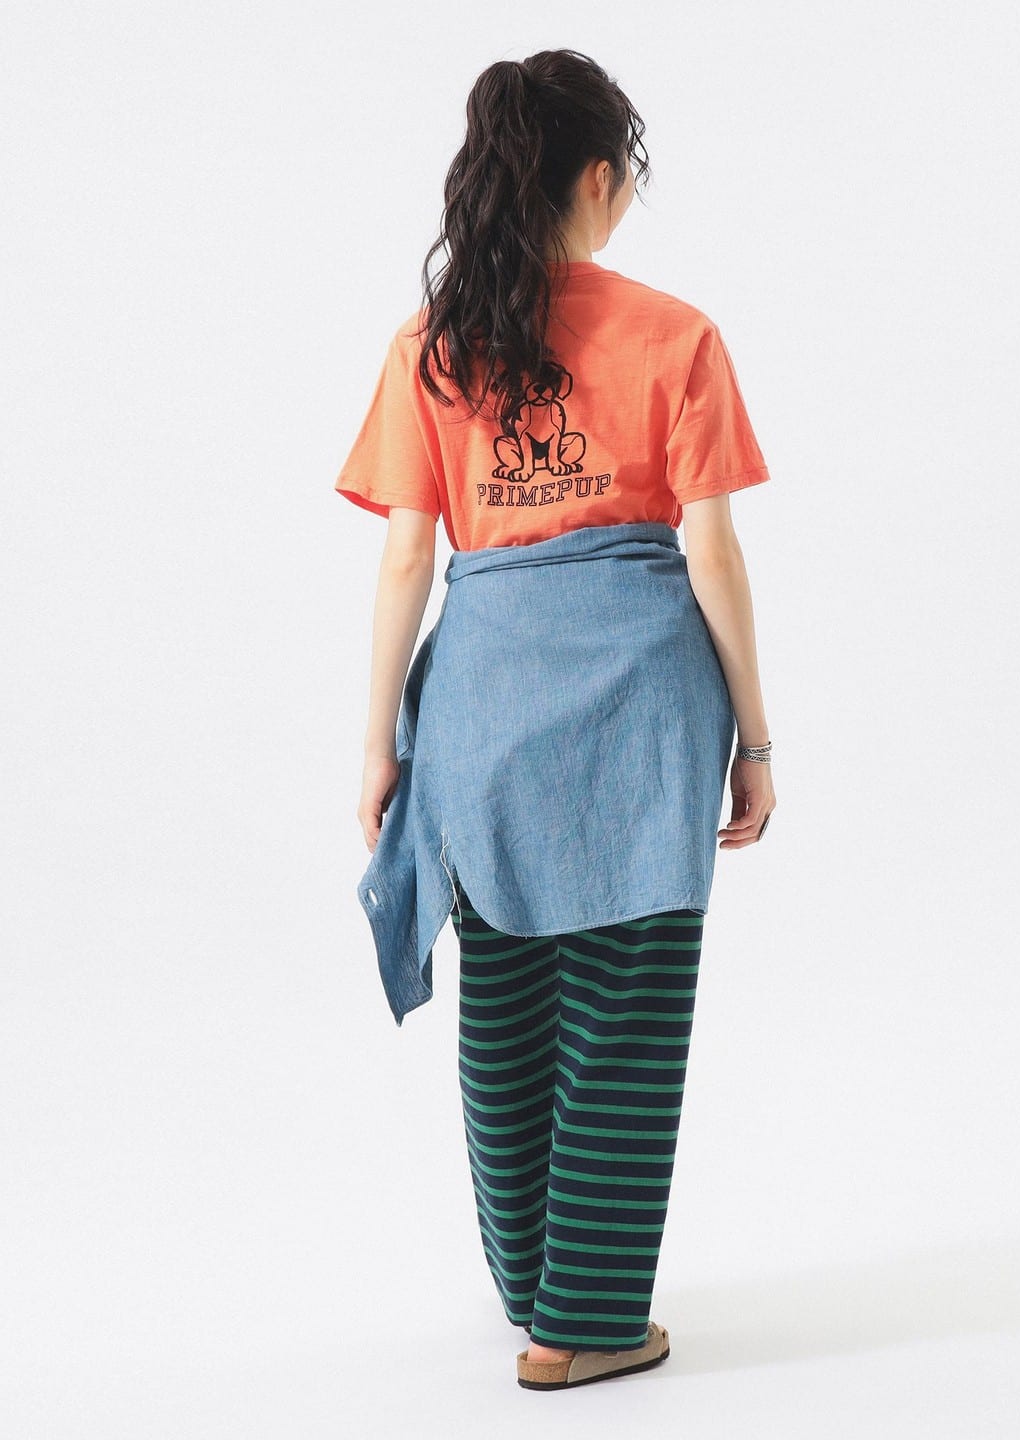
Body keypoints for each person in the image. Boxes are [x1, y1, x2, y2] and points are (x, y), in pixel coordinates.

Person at [332, 48, 776, 1391]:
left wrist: (379, 745)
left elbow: (406, 562)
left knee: (509, 996)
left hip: (486, 706)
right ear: (595, 176)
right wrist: (756, 743)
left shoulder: (433, 345)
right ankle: (584, 1323)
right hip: (643, 703)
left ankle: (532, 1286)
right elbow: (711, 555)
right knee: (627, 1004)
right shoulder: (677, 335)